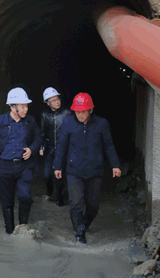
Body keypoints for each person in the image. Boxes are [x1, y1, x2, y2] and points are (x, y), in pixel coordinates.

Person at [53, 93, 121, 244]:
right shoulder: (67, 123)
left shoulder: (101, 124)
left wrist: (115, 165)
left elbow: (108, 146)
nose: (80, 115)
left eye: (83, 111)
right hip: (74, 170)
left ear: (90, 110)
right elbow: (61, 146)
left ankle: (83, 224)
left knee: (93, 206)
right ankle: (79, 234)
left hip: (95, 170)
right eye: (77, 111)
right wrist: (57, 166)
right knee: (76, 204)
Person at [0, 87, 41, 234]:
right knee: (7, 202)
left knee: (25, 197)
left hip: (24, 166)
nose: (26, 109)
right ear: (12, 107)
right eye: (22, 106)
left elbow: (38, 138)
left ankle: (22, 229)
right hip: (4, 166)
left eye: (26, 106)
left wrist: (32, 149)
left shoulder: (30, 121)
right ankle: (9, 232)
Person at [39, 87, 71, 206]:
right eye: (53, 100)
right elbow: (42, 132)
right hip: (50, 148)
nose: (57, 102)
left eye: (57, 99)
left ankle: (59, 197)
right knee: (47, 174)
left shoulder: (67, 113)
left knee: (59, 175)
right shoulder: (44, 115)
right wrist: (41, 146)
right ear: (48, 103)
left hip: (63, 148)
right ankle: (49, 191)